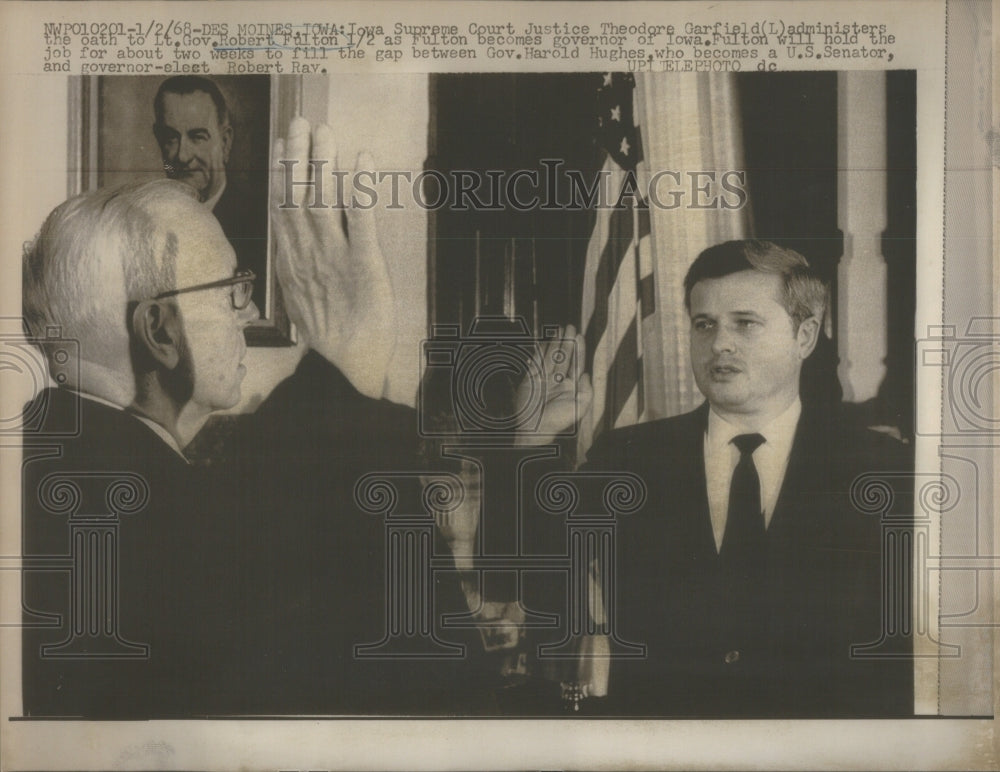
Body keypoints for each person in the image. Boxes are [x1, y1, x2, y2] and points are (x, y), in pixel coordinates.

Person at [20, 119, 490, 717]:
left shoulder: (53, 467)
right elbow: (439, 700)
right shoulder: (170, 530)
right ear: (160, 331)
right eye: (231, 290)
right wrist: (353, 378)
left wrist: (340, 383)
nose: (251, 312)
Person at [542, 240, 913, 716]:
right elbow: (525, 569)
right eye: (705, 324)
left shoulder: (881, 468)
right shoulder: (629, 457)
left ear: (805, 335)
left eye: (745, 323)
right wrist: (531, 440)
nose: (719, 344)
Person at [152, 76, 268, 311]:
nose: (182, 156)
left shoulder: (260, 228)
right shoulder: (145, 225)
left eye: (197, 137)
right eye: (171, 138)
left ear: (225, 142)